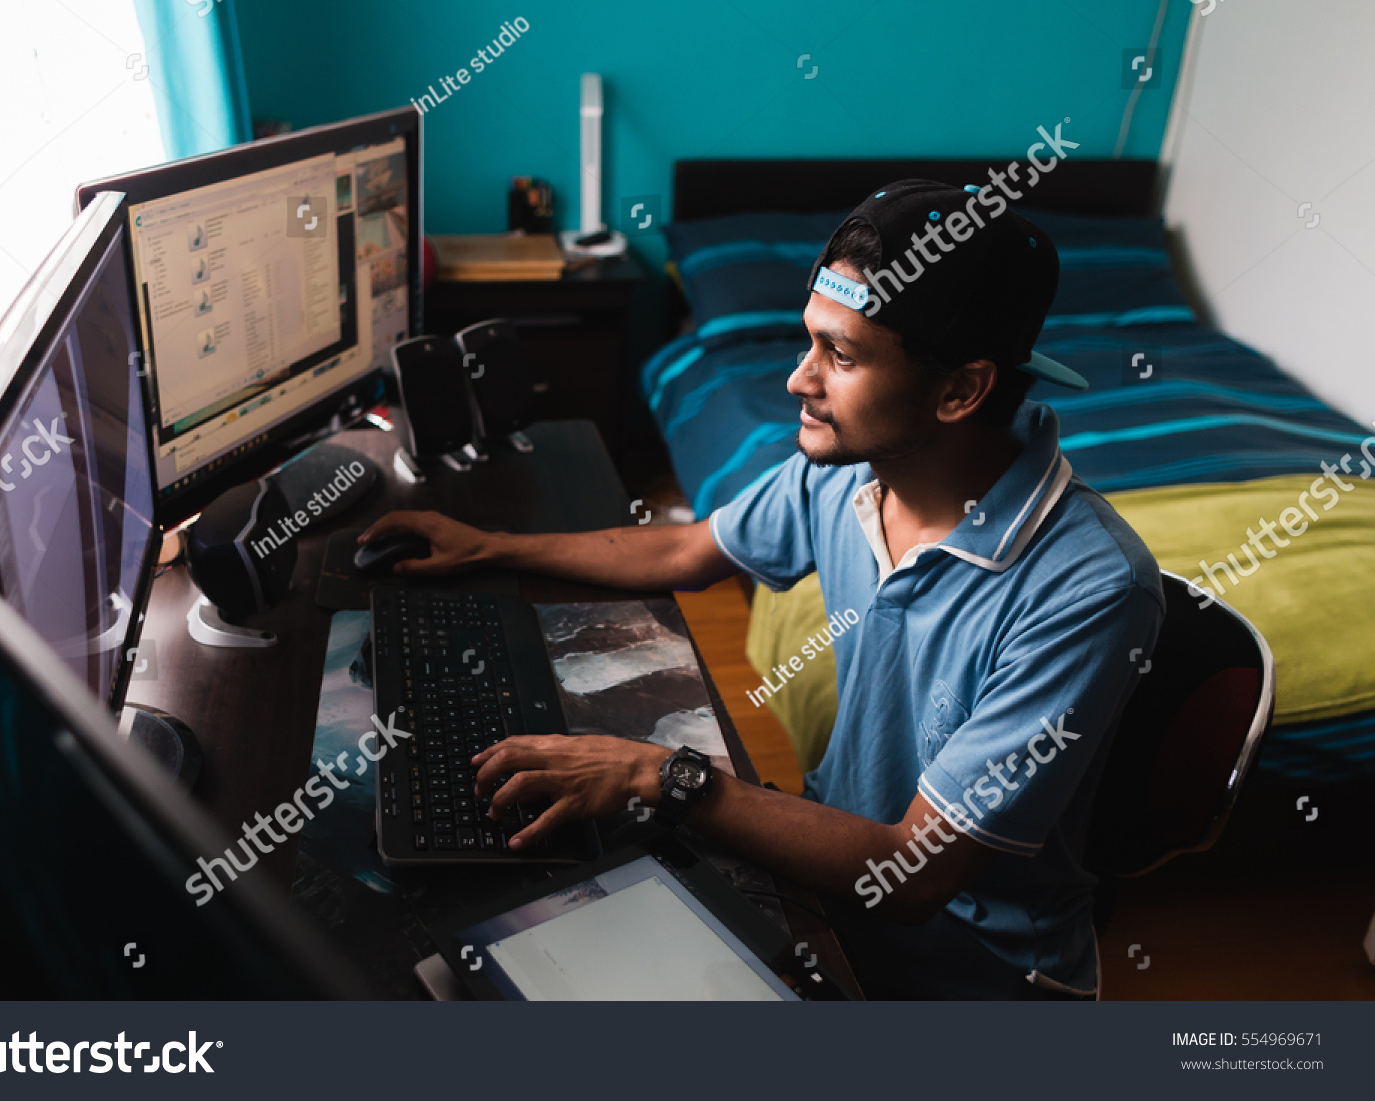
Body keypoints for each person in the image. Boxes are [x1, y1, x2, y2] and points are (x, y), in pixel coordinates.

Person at [359, 181, 1164, 999]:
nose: (797, 381)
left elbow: (917, 875)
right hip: (828, 866)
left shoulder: (1089, 590)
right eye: (807, 342)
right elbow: (685, 548)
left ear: (961, 390)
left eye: (841, 357)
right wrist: (488, 545)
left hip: (972, 957)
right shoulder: (855, 471)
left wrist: (655, 773)